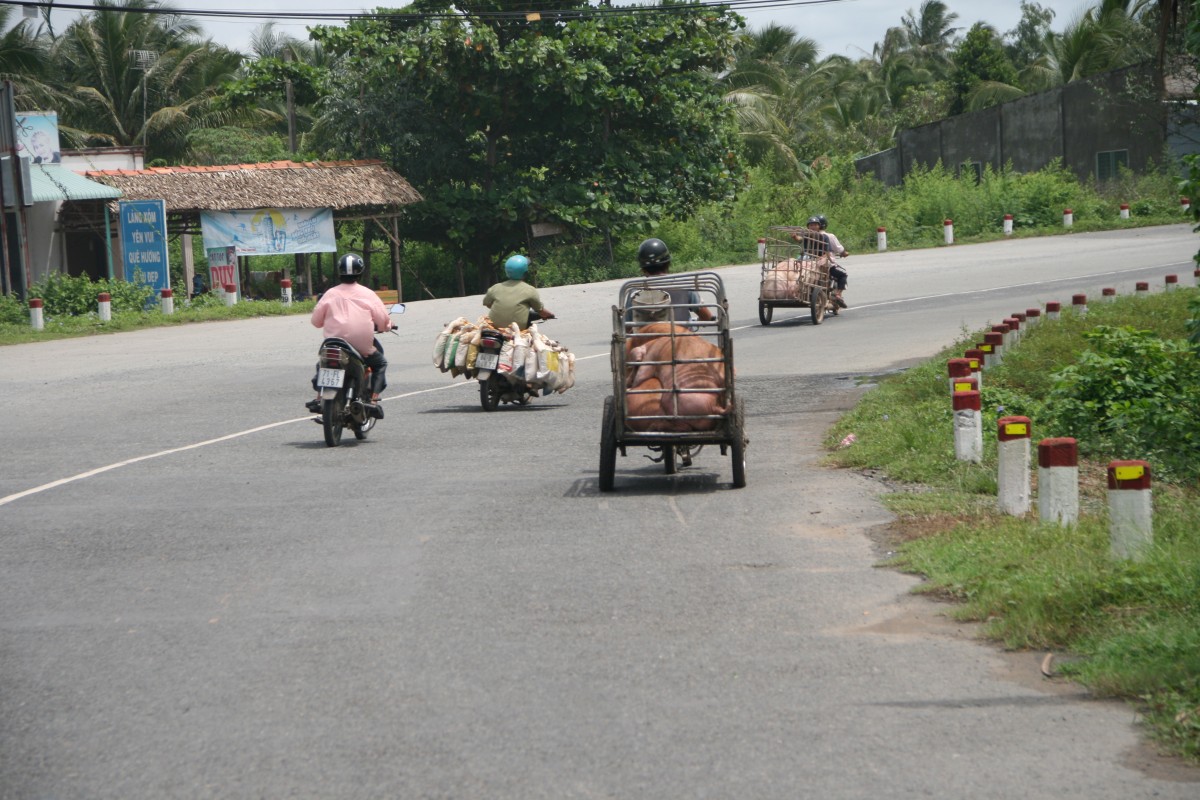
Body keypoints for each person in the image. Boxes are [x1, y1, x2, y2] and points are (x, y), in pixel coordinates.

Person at [306, 253, 392, 417]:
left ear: (340, 272)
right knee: (380, 364)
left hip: (333, 344)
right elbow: (382, 321)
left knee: (323, 363)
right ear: (360, 273)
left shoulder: (329, 294)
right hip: (361, 346)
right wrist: (387, 326)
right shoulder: (368, 294)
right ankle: (373, 401)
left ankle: (319, 398)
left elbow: (316, 321)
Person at [626, 238, 715, 328]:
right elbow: (707, 317)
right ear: (668, 264)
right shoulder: (684, 285)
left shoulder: (635, 293)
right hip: (681, 335)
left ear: (643, 269)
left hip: (646, 336)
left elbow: (627, 327)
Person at [483, 254, 554, 329]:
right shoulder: (530, 290)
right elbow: (540, 310)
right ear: (525, 272)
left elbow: (487, 304)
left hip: (494, 326)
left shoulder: (495, 288)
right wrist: (550, 315)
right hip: (517, 328)